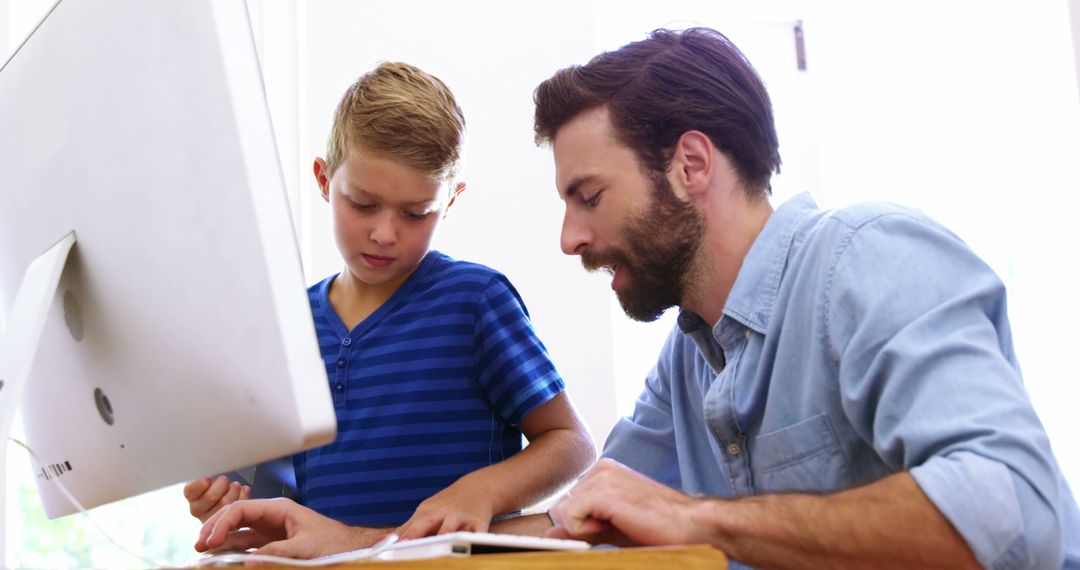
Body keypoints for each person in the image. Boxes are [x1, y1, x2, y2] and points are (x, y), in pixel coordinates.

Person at [194, 30, 1080, 569]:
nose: (570, 240)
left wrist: (694, 517)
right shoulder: (688, 363)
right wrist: (342, 544)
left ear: (691, 166)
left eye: (588, 196)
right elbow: (583, 526)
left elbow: (1015, 511)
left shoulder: (868, 259)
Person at [184, 61, 596, 548]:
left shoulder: (475, 301)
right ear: (323, 179)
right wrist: (230, 500)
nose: (384, 233)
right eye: (362, 204)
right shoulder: (290, 327)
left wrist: (481, 490)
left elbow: (572, 443)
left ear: (451, 200)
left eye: (416, 213)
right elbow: (284, 495)